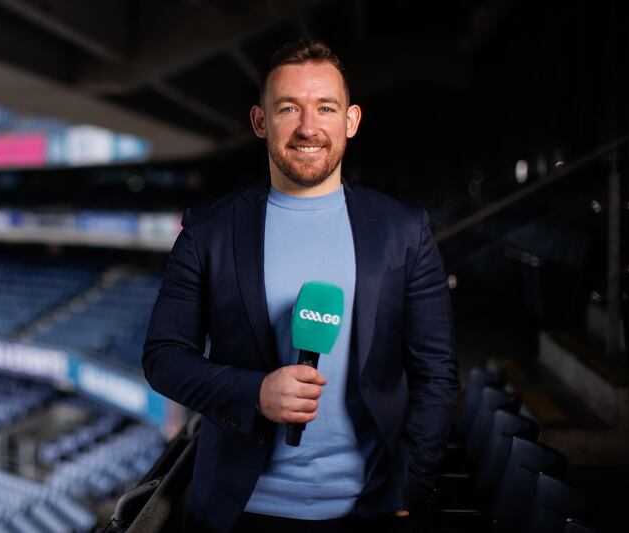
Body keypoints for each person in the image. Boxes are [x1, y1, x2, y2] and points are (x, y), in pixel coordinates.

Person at [143, 38, 459, 533]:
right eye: (289, 108)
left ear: (351, 121)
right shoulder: (210, 228)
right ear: (260, 121)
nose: (309, 128)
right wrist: (255, 392)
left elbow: (436, 373)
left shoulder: (403, 229)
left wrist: (408, 488)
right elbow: (163, 356)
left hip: (370, 508)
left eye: (325, 108)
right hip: (241, 511)